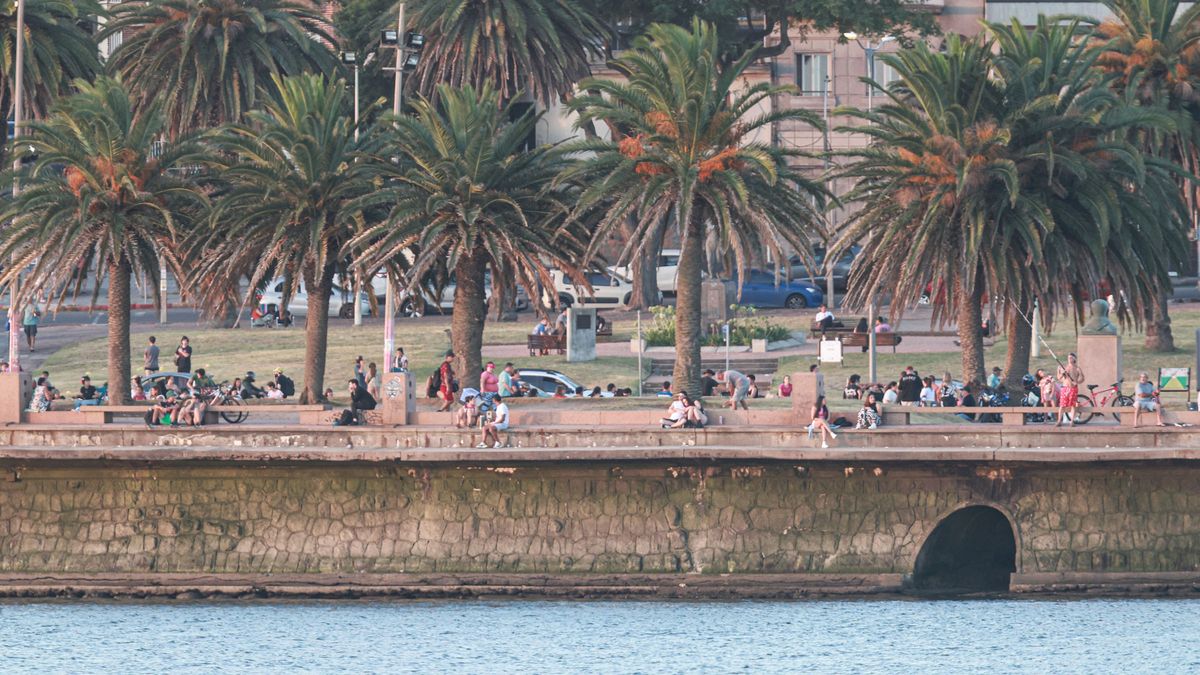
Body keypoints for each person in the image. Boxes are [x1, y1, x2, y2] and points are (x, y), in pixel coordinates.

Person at [1055, 353, 1085, 427]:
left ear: (1075, 359)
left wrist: (1077, 382)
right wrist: (1062, 373)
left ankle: (1071, 421)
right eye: (1068, 357)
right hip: (1065, 388)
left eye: (1071, 357)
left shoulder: (1077, 368)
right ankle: (1059, 421)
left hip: (1073, 388)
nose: (1070, 359)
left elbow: (1082, 378)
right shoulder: (1064, 367)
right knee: (1062, 405)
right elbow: (1059, 378)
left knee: (1073, 405)